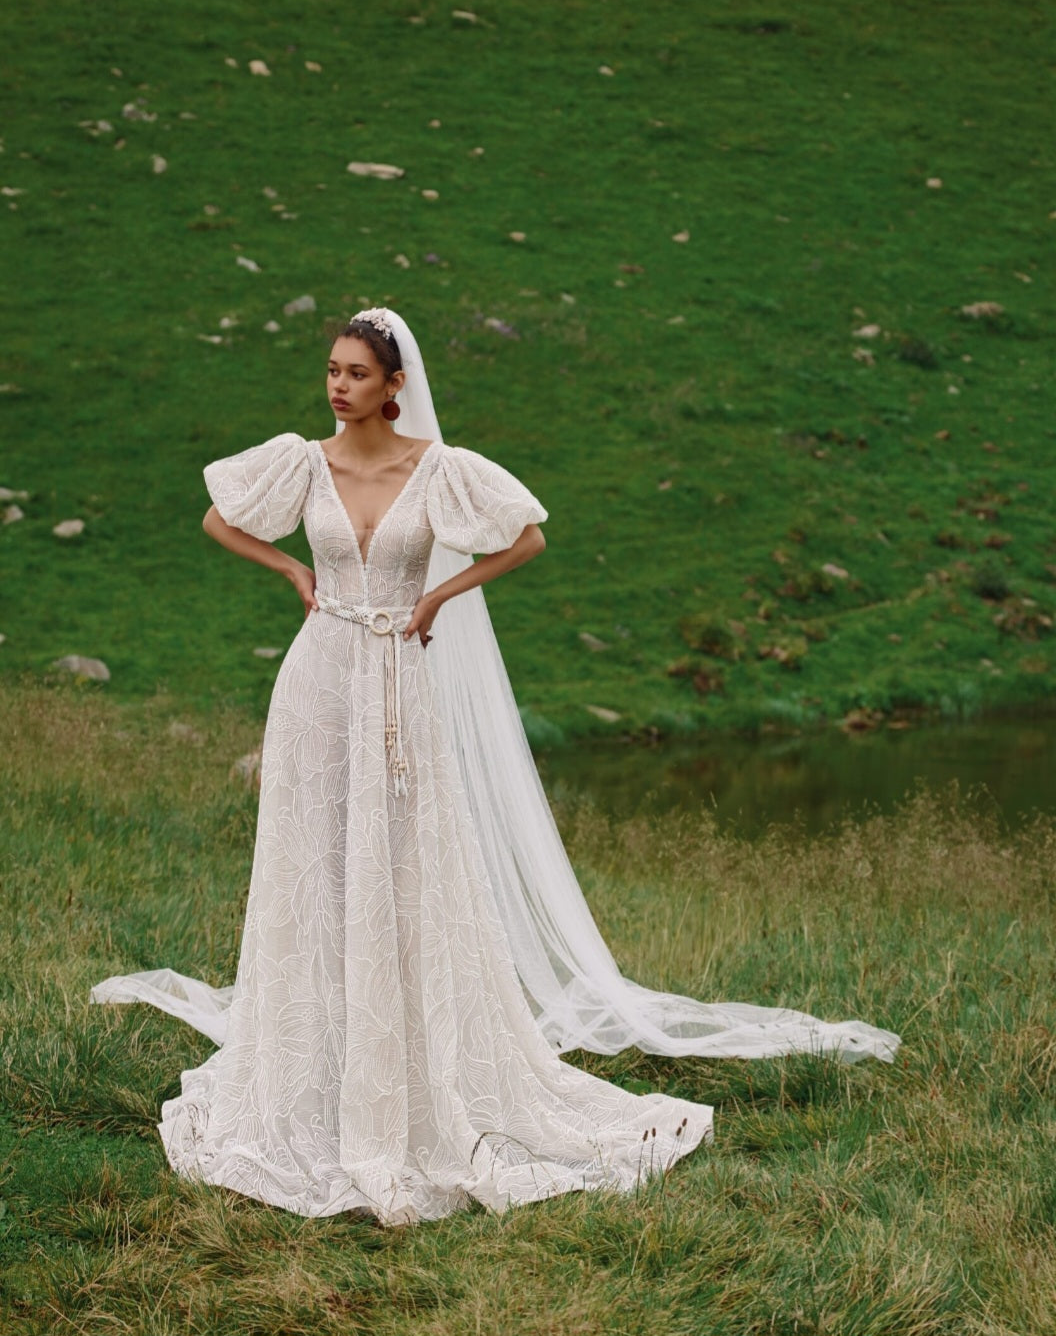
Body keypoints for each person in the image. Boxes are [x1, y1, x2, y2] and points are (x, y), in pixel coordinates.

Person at [91, 305, 898, 1226]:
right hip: (318, 682)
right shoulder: (300, 459)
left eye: (356, 373)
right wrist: (291, 574)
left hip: (399, 683)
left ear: (396, 386)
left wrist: (439, 591)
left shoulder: (437, 469)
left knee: (406, 866)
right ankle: (313, 1067)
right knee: (310, 869)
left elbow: (527, 536)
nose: (338, 385)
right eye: (331, 370)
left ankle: (412, 1072)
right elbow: (215, 516)